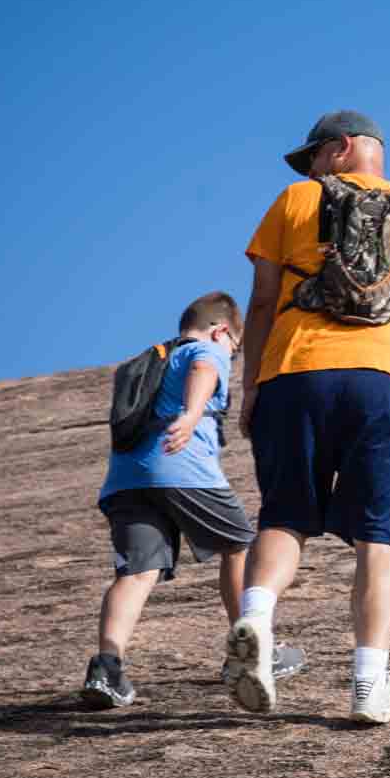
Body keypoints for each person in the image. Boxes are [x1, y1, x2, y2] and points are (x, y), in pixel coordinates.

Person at [227, 109, 390, 725]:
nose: (311, 168)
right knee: (381, 537)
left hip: (294, 375)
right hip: (384, 383)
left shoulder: (295, 199)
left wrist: (252, 387)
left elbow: (262, 299)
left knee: (285, 516)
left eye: (315, 154)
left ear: (341, 149)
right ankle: (369, 683)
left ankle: (255, 619)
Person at [83, 292, 304, 708]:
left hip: (126, 480)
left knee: (136, 573)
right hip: (181, 468)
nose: (232, 357)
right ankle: (252, 651)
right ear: (222, 330)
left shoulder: (149, 359)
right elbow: (205, 367)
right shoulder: (205, 348)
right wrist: (189, 414)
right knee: (241, 545)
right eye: (234, 349)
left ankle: (107, 669)